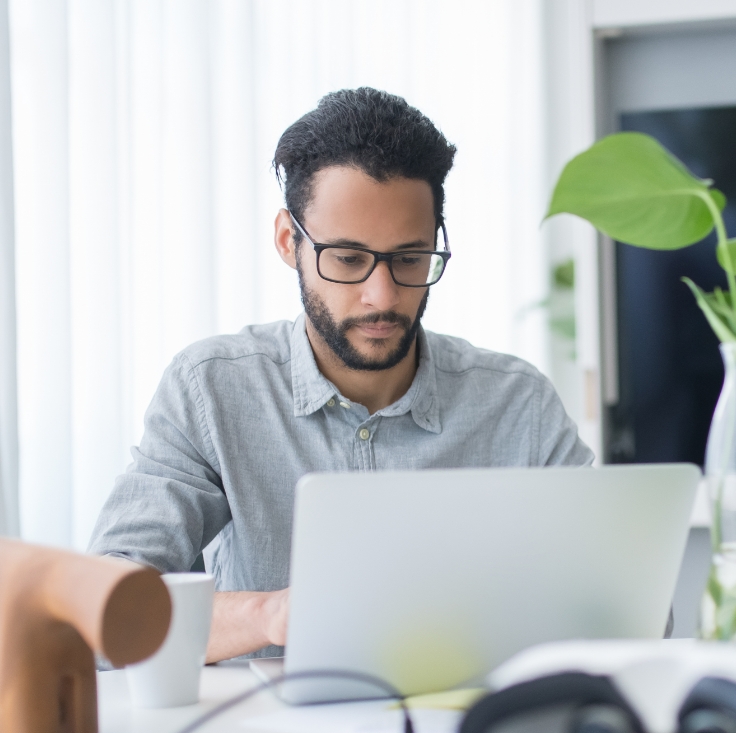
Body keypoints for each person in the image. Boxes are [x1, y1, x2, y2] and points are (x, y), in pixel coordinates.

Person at [89, 88, 592, 662]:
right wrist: (271, 615)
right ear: (288, 241)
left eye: (409, 258)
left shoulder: (517, 405)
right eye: (348, 259)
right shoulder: (210, 389)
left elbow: (631, 611)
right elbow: (106, 609)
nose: (382, 296)